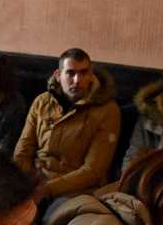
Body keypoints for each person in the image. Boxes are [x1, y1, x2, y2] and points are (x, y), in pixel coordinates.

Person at [13, 48, 120, 201]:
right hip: (35, 179)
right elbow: (23, 149)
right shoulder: (42, 101)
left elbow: (93, 171)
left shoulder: (107, 110)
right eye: (70, 73)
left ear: (91, 75)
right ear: (58, 75)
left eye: (83, 73)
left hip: (75, 190)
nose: (77, 80)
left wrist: (47, 190)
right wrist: (22, 181)